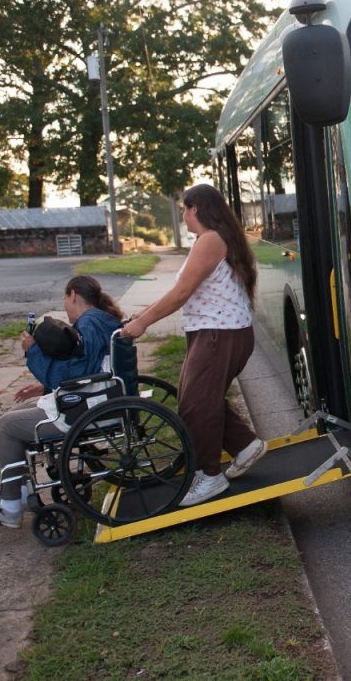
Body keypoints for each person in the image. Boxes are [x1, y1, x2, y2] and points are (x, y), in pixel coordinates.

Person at [120, 183, 266, 507]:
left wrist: (143, 323)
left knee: (196, 404)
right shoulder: (209, 239)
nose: (183, 216)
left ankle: (209, 476)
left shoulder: (211, 239)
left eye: (185, 209)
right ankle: (245, 446)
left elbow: (182, 292)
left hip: (220, 334)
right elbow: (185, 291)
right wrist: (140, 315)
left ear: (196, 208)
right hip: (215, 333)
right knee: (198, 398)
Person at [0, 275, 126, 528]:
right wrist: (44, 386)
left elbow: (75, 374)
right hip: (98, 398)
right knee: (20, 413)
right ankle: (20, 492)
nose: (65, 306)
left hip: (87, 408)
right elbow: (87, 371)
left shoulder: (89, 323)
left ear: (72, 295)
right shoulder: (104, 320)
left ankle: (10, 506)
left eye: (65, 300)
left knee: (8, 425)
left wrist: (32, 350)